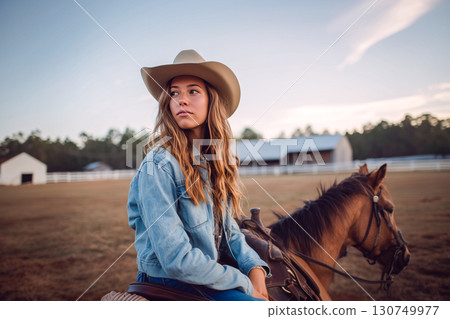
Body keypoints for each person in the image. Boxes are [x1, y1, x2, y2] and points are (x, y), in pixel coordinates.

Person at [127, 50, 270, 301]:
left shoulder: (212, 164)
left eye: (193, 91)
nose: (182, 99)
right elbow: (176, 260)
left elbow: (230, 233)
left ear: (210, 101)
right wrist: (244, 284)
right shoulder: (159, 166)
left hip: (206, 275)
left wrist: (255, 269)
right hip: (169, 280)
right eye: (174, 92)